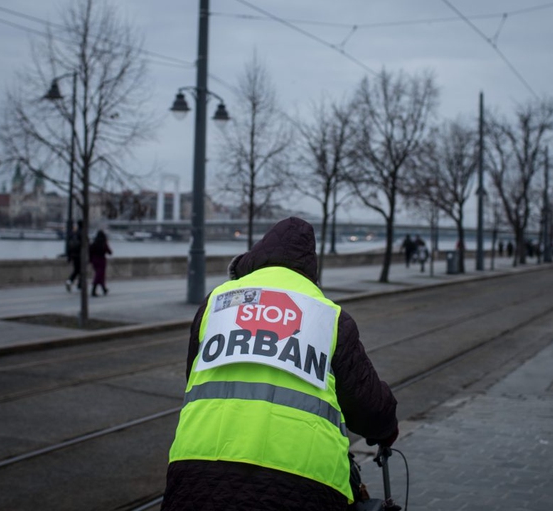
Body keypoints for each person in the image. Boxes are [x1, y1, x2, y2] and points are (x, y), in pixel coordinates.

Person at [162, 217, 399, 511]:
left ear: (255, 258)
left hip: (194, 475)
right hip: (304, 485)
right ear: (310, 270)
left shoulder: (216, 304)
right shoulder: (328, 316)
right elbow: (370, 407)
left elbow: (194, 380)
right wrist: (386, 429)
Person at [89, 230, 112, 297]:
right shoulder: (104, 243)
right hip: (101, 261)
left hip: (94, 261)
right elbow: (110, 252)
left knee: (99, 275)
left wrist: (91, 260)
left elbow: (90, 251)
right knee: (99, 275)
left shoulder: (94, 243)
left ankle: (104, 289)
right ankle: (93, 290)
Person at [65, 220, 83, 292]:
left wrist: (69, 256)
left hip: (74, 255)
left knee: (77, 270)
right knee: (80, 270)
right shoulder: (82, 233)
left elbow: (70, 246)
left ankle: (78, 284)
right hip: (80, 255)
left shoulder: (74, 233)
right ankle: (71, 281)